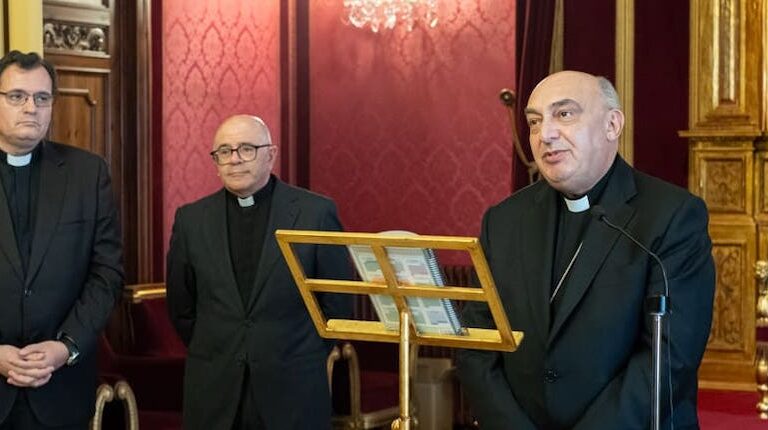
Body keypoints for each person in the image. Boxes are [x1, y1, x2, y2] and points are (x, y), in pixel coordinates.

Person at [456, 71, 715, 430]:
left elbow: (669, 358)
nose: (544, 134)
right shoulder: (503, 222)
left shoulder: (672, 216)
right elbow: (475, 343)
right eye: (534, 121)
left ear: (612, 125)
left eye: (564, 114)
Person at [166, 114, 352, 430]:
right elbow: (181, 306)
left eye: (246, 149)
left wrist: (296, 351)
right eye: (224, 151)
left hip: (293, 388)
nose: (235, 160)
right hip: (215, 389)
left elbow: (338, 306)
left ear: (271, 154)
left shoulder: (315, 213)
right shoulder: (190, 220)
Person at [0, 51, 123, 429]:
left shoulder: (87, 174)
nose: (31, 108)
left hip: (61, 389)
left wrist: (65, 347)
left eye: (42, 98)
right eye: (16, 96)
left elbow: (106, 274)